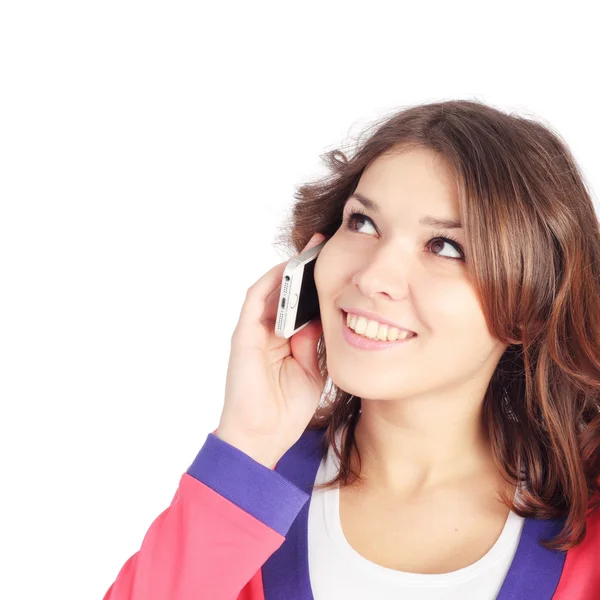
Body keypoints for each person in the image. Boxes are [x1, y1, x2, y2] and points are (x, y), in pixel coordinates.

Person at [102, 99, 600, 599]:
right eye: (362, 223)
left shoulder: (588, 530)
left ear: (531, 307)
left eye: (445, 247)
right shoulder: (243, 492)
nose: (374, 275)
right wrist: (249, 443)